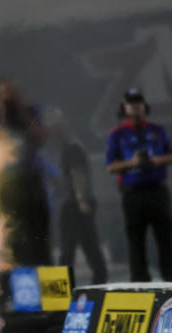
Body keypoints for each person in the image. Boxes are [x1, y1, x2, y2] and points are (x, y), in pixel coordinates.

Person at [105, 88, 172, 281]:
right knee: (136, 239)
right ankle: (140, 281)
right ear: (124, 107)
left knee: (165, 237)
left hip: (157, 190)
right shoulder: (117, 135)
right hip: (133, 193)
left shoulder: (156, 130)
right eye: (131, 103)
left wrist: (155, 160)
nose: (135, 107)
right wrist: (133, 163)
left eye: (138, 103)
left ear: (144, 106)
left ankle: (169, 279)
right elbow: (111, 166)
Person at [0, 78, 51, 266]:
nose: (8, 97)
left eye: (11, 93)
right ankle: (19, 273)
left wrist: (22, 109)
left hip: (31, 175)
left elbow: (41, 137)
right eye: (4, 93)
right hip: (8, 179)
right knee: (13, 231)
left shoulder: (30, 112)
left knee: (39, 230)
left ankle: (44, 271)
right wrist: (3, 112)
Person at [46, 108, 108, 283]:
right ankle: (98, 281)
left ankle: (68, 292)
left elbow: (77, 174)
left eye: (54, 125)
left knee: (70, 250)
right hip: (74, 202)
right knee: (88, 245)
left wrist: (81, 200)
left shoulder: (71, 147)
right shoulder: (65, 148)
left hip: (75, 204)